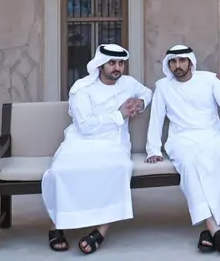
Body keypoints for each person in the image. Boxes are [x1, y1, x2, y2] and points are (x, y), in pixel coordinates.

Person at [145, 45, 220, 254]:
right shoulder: (163, 87)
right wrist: (154, 149)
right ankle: (214, 227)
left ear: (190, 62)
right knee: (189, 165)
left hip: (211, 134)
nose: (177, 66)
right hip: (181, 139)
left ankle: (210, 231)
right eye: (173, 61)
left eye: (181, 61)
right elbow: (156, 119)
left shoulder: (209, 80)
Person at [41, 44, 152, 254]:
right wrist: (119, 115)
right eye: (112, 63)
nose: (117, 67)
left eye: (120, 63)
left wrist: (141, 102)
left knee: (119, 168)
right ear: (101, 65)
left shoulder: (128, 83)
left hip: (114, 143)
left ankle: (101, 230)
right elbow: (85, 125)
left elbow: (148, 92)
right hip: (80, 141)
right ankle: (57, 225)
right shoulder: (81, 88)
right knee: (60, 172)